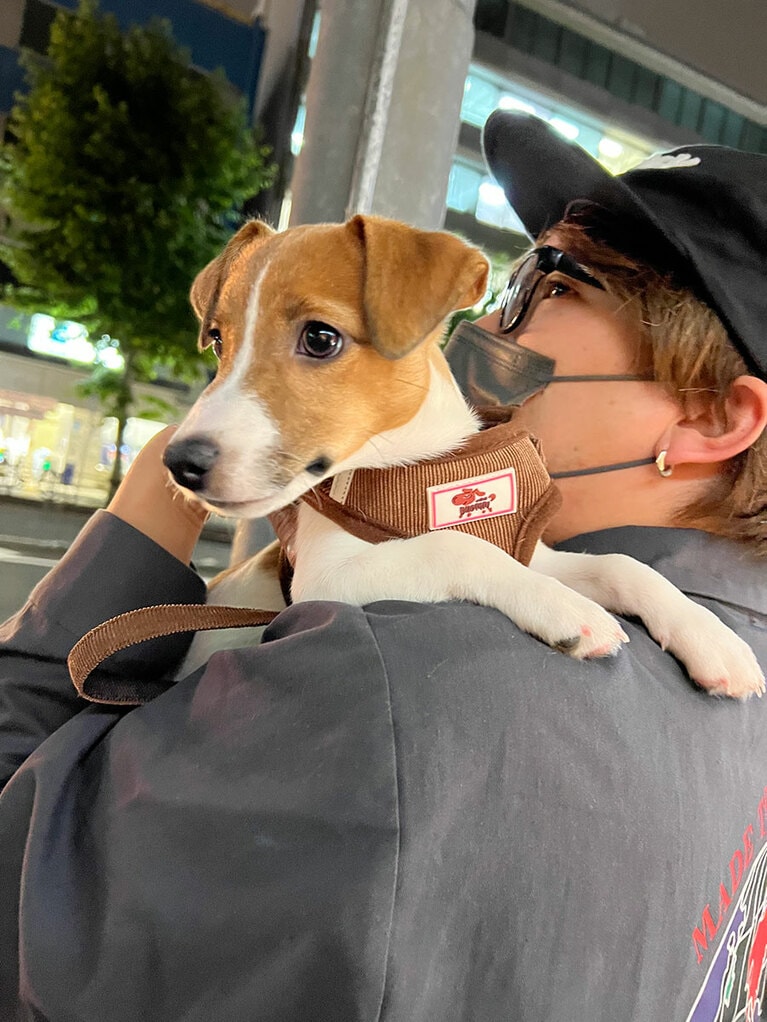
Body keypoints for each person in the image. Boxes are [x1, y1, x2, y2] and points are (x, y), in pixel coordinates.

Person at [0, 110, 766, 1022]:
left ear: (714, 416)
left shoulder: (382, 682)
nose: (484, 324)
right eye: (510, 282)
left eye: (550, 286)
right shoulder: (730, 666)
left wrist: (131, 543)